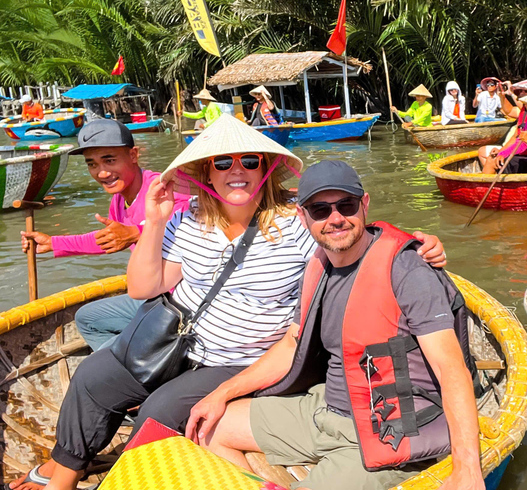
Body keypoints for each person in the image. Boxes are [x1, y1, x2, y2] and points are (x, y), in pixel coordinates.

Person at [11, 114, 446, 490]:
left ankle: (140, 473)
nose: (236, 171)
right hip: (178, 342)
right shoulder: (186, 217)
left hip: (242, 359)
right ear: (206, 171)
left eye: (249, 161)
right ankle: (65, 472)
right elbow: (143, 289)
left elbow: (351, 232)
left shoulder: (296, 221)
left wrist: (416, 244)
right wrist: (156, 221)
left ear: (266, 168)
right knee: (92, 377)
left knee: (162, 414)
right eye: (222, 162)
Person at [187, 160, 484, 490]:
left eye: (346, 205)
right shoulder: (319, 265)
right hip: (326, 410)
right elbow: (291, 345)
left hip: (388, 430)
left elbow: (450, 367)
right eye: (319, 209)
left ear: (365, 205)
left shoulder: (407, 270)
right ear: (303, 217)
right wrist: (220, 394)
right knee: (209, 426)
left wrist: (467, 467)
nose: (336, 218)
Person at [19, 119, 190, 351]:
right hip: (153, 293)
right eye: (92, 164)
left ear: (133, 155)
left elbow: (193, 229)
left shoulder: (165, 188)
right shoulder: (119, 200)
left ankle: (126, 364)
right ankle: (124, 364)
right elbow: (109, 238)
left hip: (181, 298)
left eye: (110, 160)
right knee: (87, 318)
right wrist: (53, 243)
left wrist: (137, 233)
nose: (102, 172)